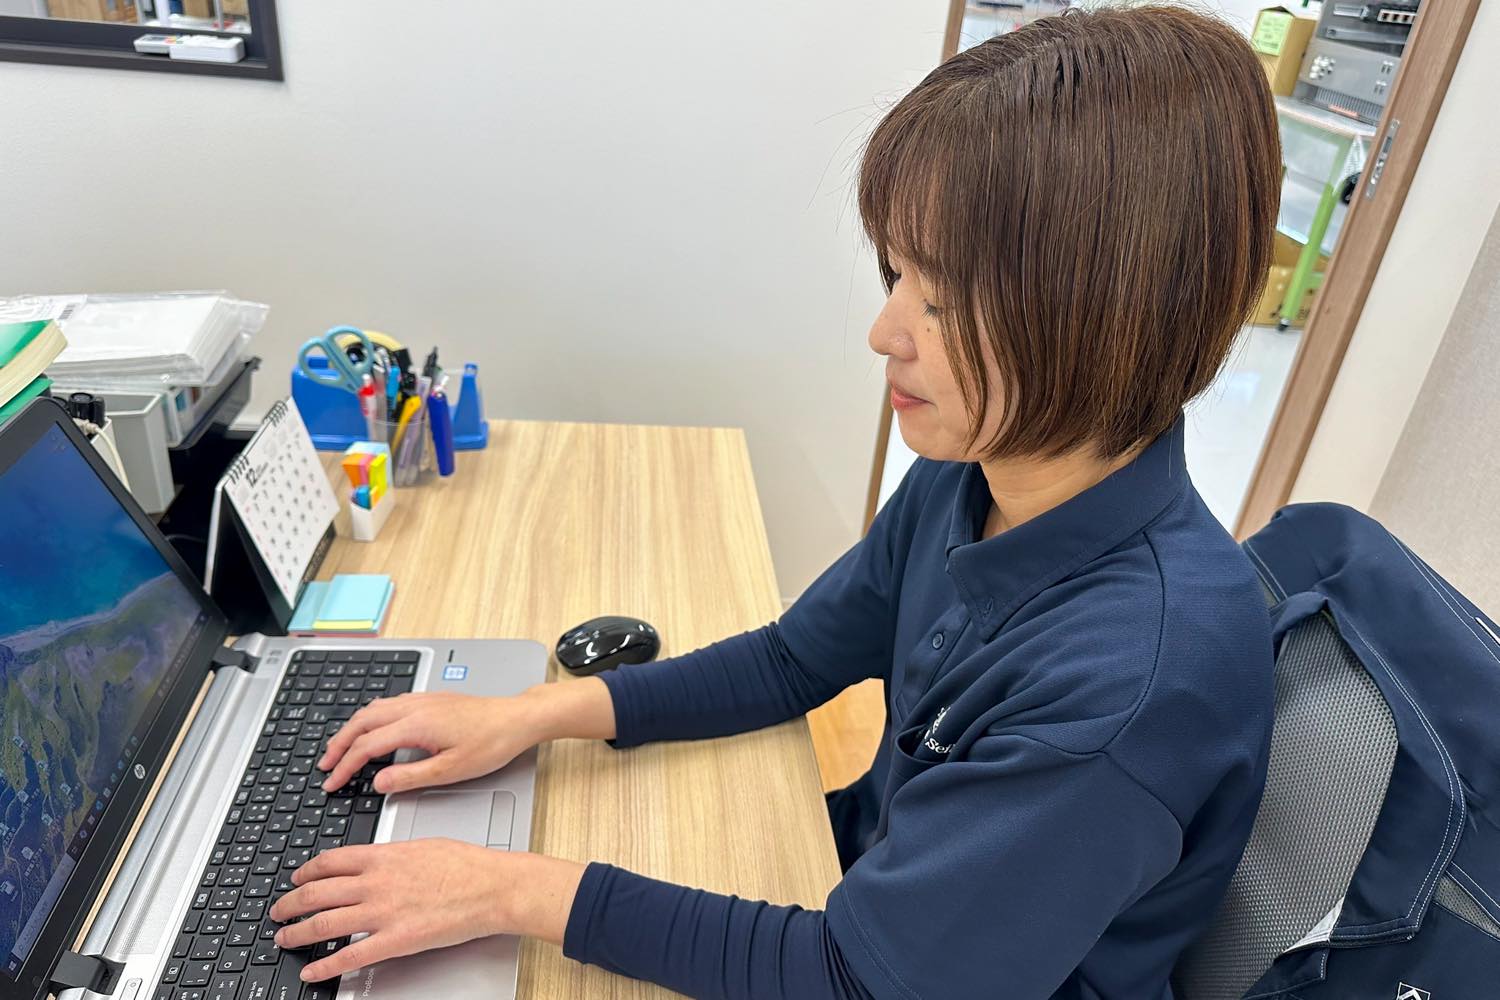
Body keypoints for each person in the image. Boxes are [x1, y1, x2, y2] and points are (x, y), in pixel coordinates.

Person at [269, 7, 1281, 997]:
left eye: (940, 297)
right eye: (897, 272)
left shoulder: (1132, 682)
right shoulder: (980, 472)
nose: (884, 331)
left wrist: (506, 889)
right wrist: (531, 715)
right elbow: (794, 660)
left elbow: (857, 979)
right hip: (868, 897)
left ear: (1103, 315)